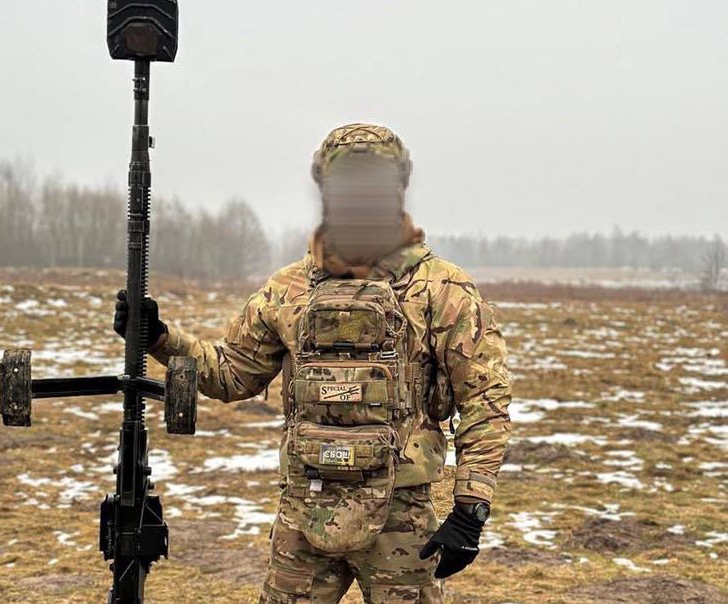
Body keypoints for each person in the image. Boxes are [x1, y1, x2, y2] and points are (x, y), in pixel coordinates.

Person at [113, 123, 512, 603]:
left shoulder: (442, 289)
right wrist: (160, 338)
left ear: (397, 189)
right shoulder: (290, 288)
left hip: (400, 517)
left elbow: (485, 398)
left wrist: (471, 509)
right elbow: (232, 371)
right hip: (306, 508)